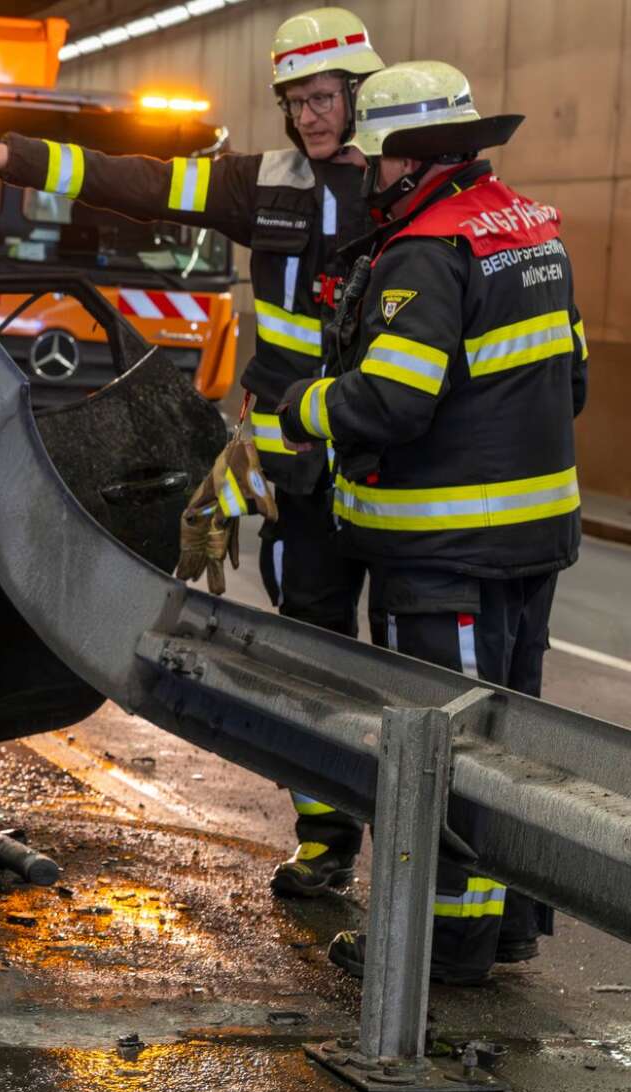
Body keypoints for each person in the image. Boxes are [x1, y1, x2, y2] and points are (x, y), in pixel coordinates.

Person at [0, 7, 383, 897]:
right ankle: (328, 840)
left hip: (388, 457)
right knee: (310, 650)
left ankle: (447, 864)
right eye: (296, 101)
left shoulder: (402, 186)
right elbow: (137, 181)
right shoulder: (265, 184)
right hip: (299, 463)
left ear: (361, 95)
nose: (310, 116)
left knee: (412, 664)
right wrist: (16, 156)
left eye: (325, 97)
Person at [277, 60, 583, 983]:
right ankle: (508, 925)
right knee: (510, 750)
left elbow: (395, 400)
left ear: (408, 161)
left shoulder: (426, 252)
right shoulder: (530, 229)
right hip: (533, 542)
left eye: (375, 161)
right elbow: (573, 381)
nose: (368, 176)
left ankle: (445, 946)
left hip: (444, 550)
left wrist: (305, 406)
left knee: (439, 754)